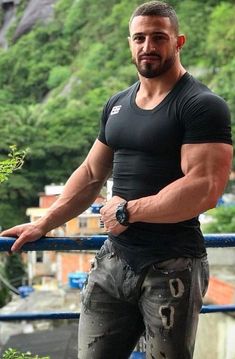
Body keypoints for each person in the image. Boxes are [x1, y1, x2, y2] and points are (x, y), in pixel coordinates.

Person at [1, 1, 233, 358]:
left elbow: (204, 187)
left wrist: (127, 212)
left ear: (178, 41)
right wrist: (43, 223)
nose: (148, 46)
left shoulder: (201, 104)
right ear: (129, 43)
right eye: (139, 38)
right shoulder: (117, 104)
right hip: (113, 261)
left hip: (172, 265)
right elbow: (92, 173)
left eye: (158, 37)